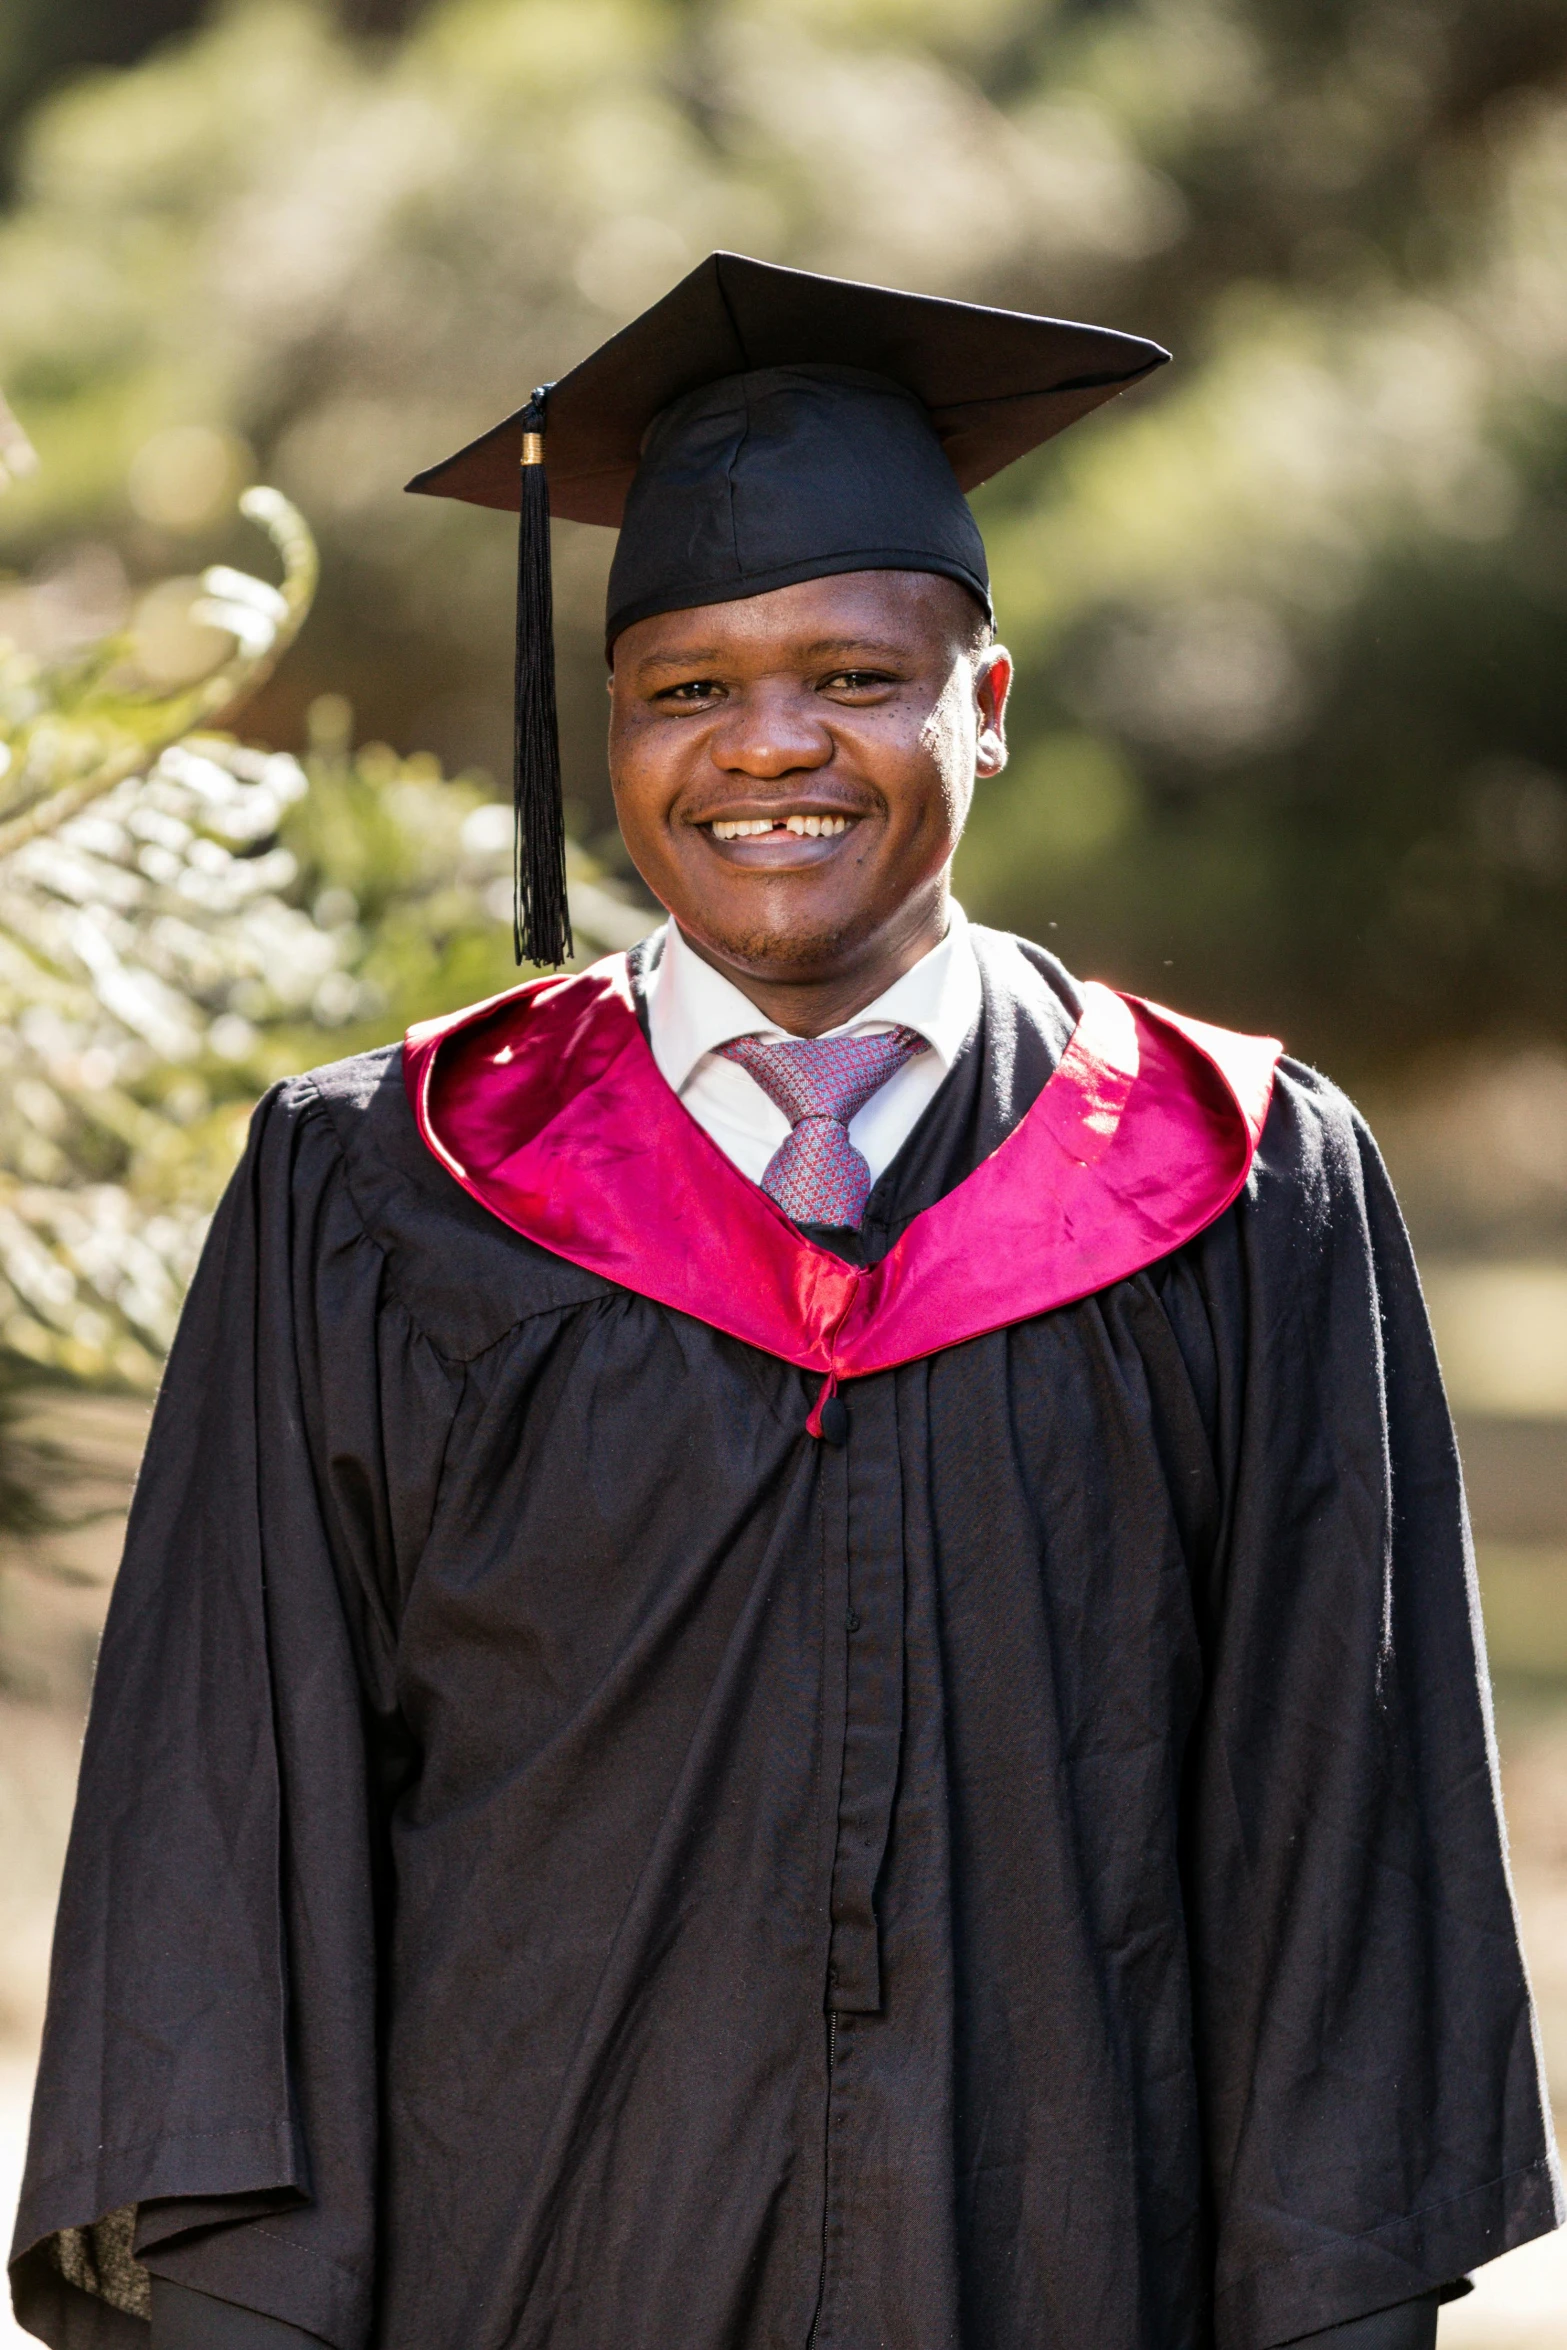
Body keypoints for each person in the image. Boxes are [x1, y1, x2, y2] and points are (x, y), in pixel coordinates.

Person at [9, 254, 1561, 2350]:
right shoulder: (380, 1189)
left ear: (983, 710)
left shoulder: (1235, 1179)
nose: (766, 751)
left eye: (849, 675)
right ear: (620, 725)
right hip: (529, 2283)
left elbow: (1341, 1870)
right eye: (686, 687)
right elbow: (228, 1834)